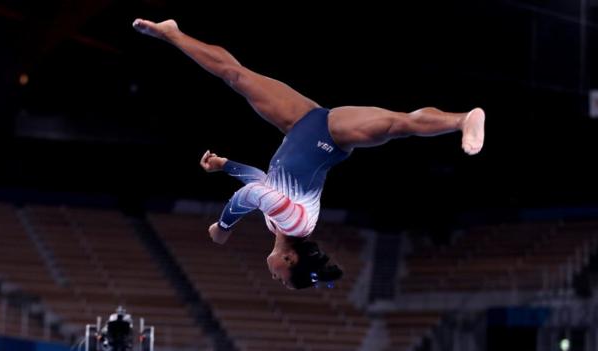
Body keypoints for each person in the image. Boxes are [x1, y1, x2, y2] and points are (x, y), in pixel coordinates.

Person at [133, 18, 485, 289]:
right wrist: (223, 227)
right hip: (332, 134)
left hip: (301, 123)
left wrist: (225, 165)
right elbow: (252, 194)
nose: (275, 276)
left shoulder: (277, 222)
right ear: (289, 258)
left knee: (235, 75)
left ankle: (172, 33)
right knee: (398, 124)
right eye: (282, 277)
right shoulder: (295, 223)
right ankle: (461, 120)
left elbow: (260, 181)